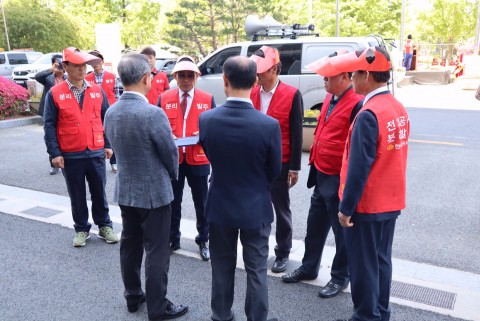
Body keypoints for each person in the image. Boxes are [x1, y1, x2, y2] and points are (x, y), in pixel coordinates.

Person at [104, 53, 188, 321]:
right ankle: (157, 306)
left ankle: (132, 296)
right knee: (156, 250)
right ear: (145, 78)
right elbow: (170, 154)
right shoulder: (153, 113)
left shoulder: (112, 111)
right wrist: (172, 176)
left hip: (126, 190)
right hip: (154, 193)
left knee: (130, 245)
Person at [199, 55, 281, 321]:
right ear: (255, 81)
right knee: (256, 268)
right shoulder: (268, 125)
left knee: (222, 265)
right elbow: (274, 170)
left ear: (225, 80)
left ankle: (220, 314)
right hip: (255, 205)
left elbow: (210, 154)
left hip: (220, 202)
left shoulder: (207, 119)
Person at [330, 47, 409, 321]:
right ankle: (381, 310)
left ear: (366, 74)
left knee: (364, 264)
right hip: (391, 200)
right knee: (381, 260)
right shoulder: (396, 107)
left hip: (368, 203)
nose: (350, 77)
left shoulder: (368, 113)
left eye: (354, 73)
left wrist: (345, 208)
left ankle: (366, 314)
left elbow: (358, 167)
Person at [282, 51, 364, 300]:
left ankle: (340, 277)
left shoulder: (357, 103)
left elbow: (354, 148)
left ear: (345, 77)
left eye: (329, 77)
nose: (324, 82)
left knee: (342, 234)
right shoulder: (331, 97)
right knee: (314, 227)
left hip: (338, 179)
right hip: (321, 173)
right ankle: (309, 267)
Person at [43, 47, 119, 247]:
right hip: (70, 152)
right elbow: (49, 124)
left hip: (95, 149)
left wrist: (109, 145)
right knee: (76, 193)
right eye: (76, 66)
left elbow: (106, 118)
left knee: (99, 191)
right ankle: (81, 229)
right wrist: (54, 153)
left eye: (84, 65)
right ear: (65, 66)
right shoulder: (55, 93)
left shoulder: (96, 90)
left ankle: (104, 225)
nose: (82, 69)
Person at [250, 46, 303, 273]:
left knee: (281, 209)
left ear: (273, 69)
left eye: (261, 71)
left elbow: (296, 133)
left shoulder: (291, 94)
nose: (257, 75)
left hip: (280, 162)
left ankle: (283, 253)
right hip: (255, 162)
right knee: (254, 206)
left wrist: (294, 168)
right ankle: (257, 248)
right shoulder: (252, 93)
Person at [157, 55, 215, 261]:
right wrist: (167, 135)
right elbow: (157, 126)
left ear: (197, 77)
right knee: (173, 202)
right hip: (173, 160)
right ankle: (173, 238)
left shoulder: (207, 99)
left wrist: (202, 134)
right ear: (175, 76)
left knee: (203, 203)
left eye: (190, 75)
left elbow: (213, 128)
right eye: (182, 75)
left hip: (198, 158)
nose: (186, 80)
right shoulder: (164, 98)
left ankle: (204, 239)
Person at [86, 49, 120, 173]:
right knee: (96, 135)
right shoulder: (87, 78)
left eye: (98, 61)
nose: (96, 64)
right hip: (93, 112)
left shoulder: (112, 77)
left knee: (112, 135)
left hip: (110, 110)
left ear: (103, 62)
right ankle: (96, 159)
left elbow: (116, 95)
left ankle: (114, 161)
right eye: (93, 62)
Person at [35, 53, 67, 175]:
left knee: (64, 136)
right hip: (50, 112)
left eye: (62, 64)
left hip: (64, 112)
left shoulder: (68, 77)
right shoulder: (48, 78)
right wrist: (51, 70)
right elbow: (37, 76)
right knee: (50, 136)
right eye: (57, 64)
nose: (60, 67)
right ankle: (53, 163)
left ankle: (65, 160)